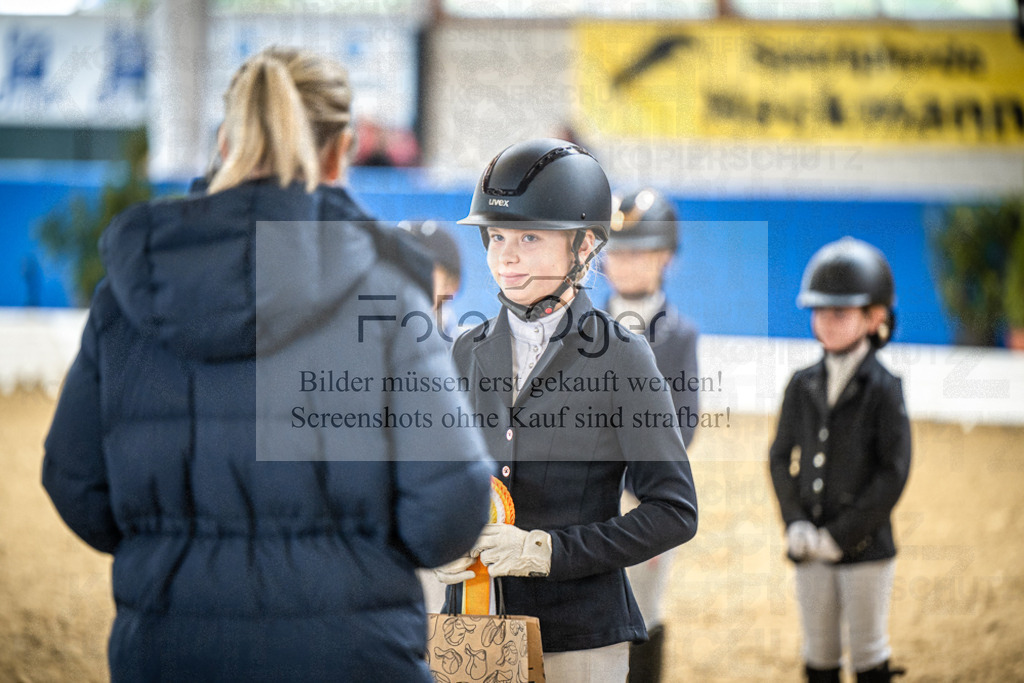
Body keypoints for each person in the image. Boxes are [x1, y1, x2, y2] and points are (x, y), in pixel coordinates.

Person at [42, 47, 492, 682]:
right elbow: (452, 504)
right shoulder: (386, 293)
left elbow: (75, 481)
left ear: (227, 142)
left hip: (168, 654)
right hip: (352, 657)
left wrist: (170, 545)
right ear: (339, 153)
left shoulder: (127, 294)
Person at [435, 138, 699, 682]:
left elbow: (674, 511)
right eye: (497, 237)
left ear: (583, 246)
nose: (506, 256)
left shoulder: (624, 356)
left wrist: (547, 552)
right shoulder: (466, 351)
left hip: (578, 639)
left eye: (529, 237)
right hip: (474, 629)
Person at [768, 237, 911, 683]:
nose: (827, 323)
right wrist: (794, 521)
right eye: (820, 312)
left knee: (868, 651)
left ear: (875, 317)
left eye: (840, 313)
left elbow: (893, 473)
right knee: (819, 650)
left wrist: (842, 535)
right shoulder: (801, 383)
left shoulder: (884, 388)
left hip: (865, 548)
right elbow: (779, 457)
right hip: (809, 545)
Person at [603, 188, 700, 682]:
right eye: (616, 252)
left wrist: (639, 486)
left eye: (637, 252)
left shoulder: (679, 337)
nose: (623, 263)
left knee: (643, 608)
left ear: (665, 258)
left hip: (646, 496)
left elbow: (684, 421)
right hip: (586, 491)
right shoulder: (577, 325)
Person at [400, 219, 463, 343]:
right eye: (396, 268)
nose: (404, 280)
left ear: (451, 286)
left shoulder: (470, 350)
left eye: (420, 269)